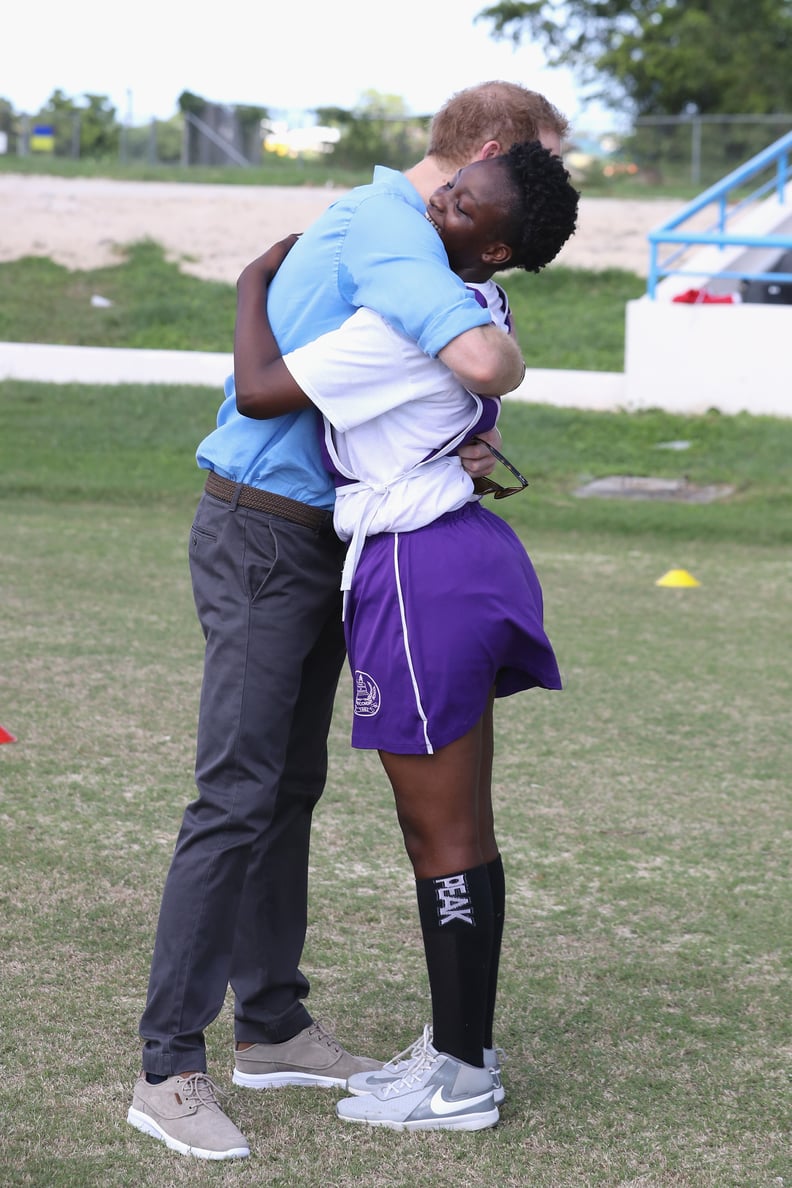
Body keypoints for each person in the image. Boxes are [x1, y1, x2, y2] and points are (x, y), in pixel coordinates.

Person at [127, 82, 570, 1160]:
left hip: (351, 540)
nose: (453, 203)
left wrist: (481, 409)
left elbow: (473, 361)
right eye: (537, 161)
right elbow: (278, 388)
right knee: (237, 792)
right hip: (268, 530)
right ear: (491, 150)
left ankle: (271, 1026)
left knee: (289, 788)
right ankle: (167, 1067)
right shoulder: (390, 230)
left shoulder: (432, 261)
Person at [230, 140, 580, 1131]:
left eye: (465, 209)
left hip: (419, 568)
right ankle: (461, 1048)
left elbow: (259, 389)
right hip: (457, 554)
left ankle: (460, 1080)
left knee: (442, 832)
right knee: (458, 824)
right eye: (448, 190)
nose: (440, 208)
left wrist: (256, 279)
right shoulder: (474, 309)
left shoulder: (404, 326)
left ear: (498, 247)